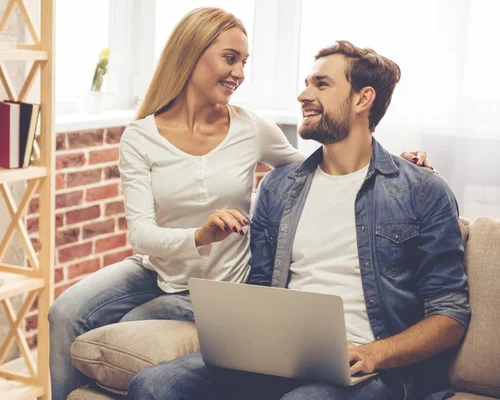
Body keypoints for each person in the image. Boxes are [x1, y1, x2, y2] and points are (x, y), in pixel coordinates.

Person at [48, 8, 431, 399]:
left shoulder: (250, 128)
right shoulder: (140, 137)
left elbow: (322, 166)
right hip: (159, 266)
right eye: (230, 58)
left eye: (244, 62)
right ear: (191, 53)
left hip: (220, 282)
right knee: (65, 312)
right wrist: (199, 234)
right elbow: (141, 233)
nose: (240, 73)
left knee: (129, 328)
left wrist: (393, 165)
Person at [126, 40, 470, 400]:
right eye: (307, 83)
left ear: (362, 99)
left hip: (374, 371)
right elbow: (260, 288)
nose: (303, 95)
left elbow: (450, 317)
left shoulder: (421, 190)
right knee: (152, 386)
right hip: (278, 360)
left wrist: (372, 354)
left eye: (321, 84)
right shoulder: (278, 187)